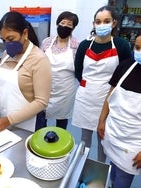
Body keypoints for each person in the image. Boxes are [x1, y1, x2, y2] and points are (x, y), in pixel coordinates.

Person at [71, 5, 132, 162]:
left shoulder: (121, 45)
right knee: (85, 138)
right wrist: (90, 85)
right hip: (86, 97)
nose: (101, 25)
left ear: (114, 23)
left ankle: (100, 170)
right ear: (93, 24)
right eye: (98, 21)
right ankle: (80, 167)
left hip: (108, 99)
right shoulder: (85, 45)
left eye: (106, 21)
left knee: (102, 137)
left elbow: (126, 73)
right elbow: (78, 71)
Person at [0, 11, 51, 133]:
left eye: (11, 38)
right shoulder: (6, 54)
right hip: (6, 119)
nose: (7, 44)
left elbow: (41, 102)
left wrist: (9, 119)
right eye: (3, 40)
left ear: (25, 33)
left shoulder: (39, 59)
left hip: (29, 124)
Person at [97, 34, 141, 188]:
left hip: (134, 142)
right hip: (114, 130)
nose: (139, 51)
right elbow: (111, 94)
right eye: (137, 47)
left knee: (123, 179)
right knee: (113, 170)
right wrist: (102, 120)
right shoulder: (126, 66)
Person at [41, 11, 79, 130]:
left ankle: (60, 141)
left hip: (65, 89)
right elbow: (39, 63)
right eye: (63, 23)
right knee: (42, 116)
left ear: (73, 28)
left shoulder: (76, 45)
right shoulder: (47, 42)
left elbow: (79, 68)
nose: (65, 26)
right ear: (57, 24)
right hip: (45, 86)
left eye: (69, 24)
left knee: (62, 120)